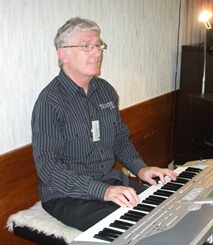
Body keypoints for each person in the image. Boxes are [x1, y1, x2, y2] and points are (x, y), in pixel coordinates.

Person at [31, 17, 178, 231]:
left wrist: (141, 168)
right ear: (63, 54)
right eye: (86, 46)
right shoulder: (49, 102)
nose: (97, 52)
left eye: (99, 45)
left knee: (165, 208)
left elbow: (119, 139)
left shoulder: (105, 90)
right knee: (138, 227)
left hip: (108, 181)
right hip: (66, 196)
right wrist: (102, 191)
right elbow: (49, 168)